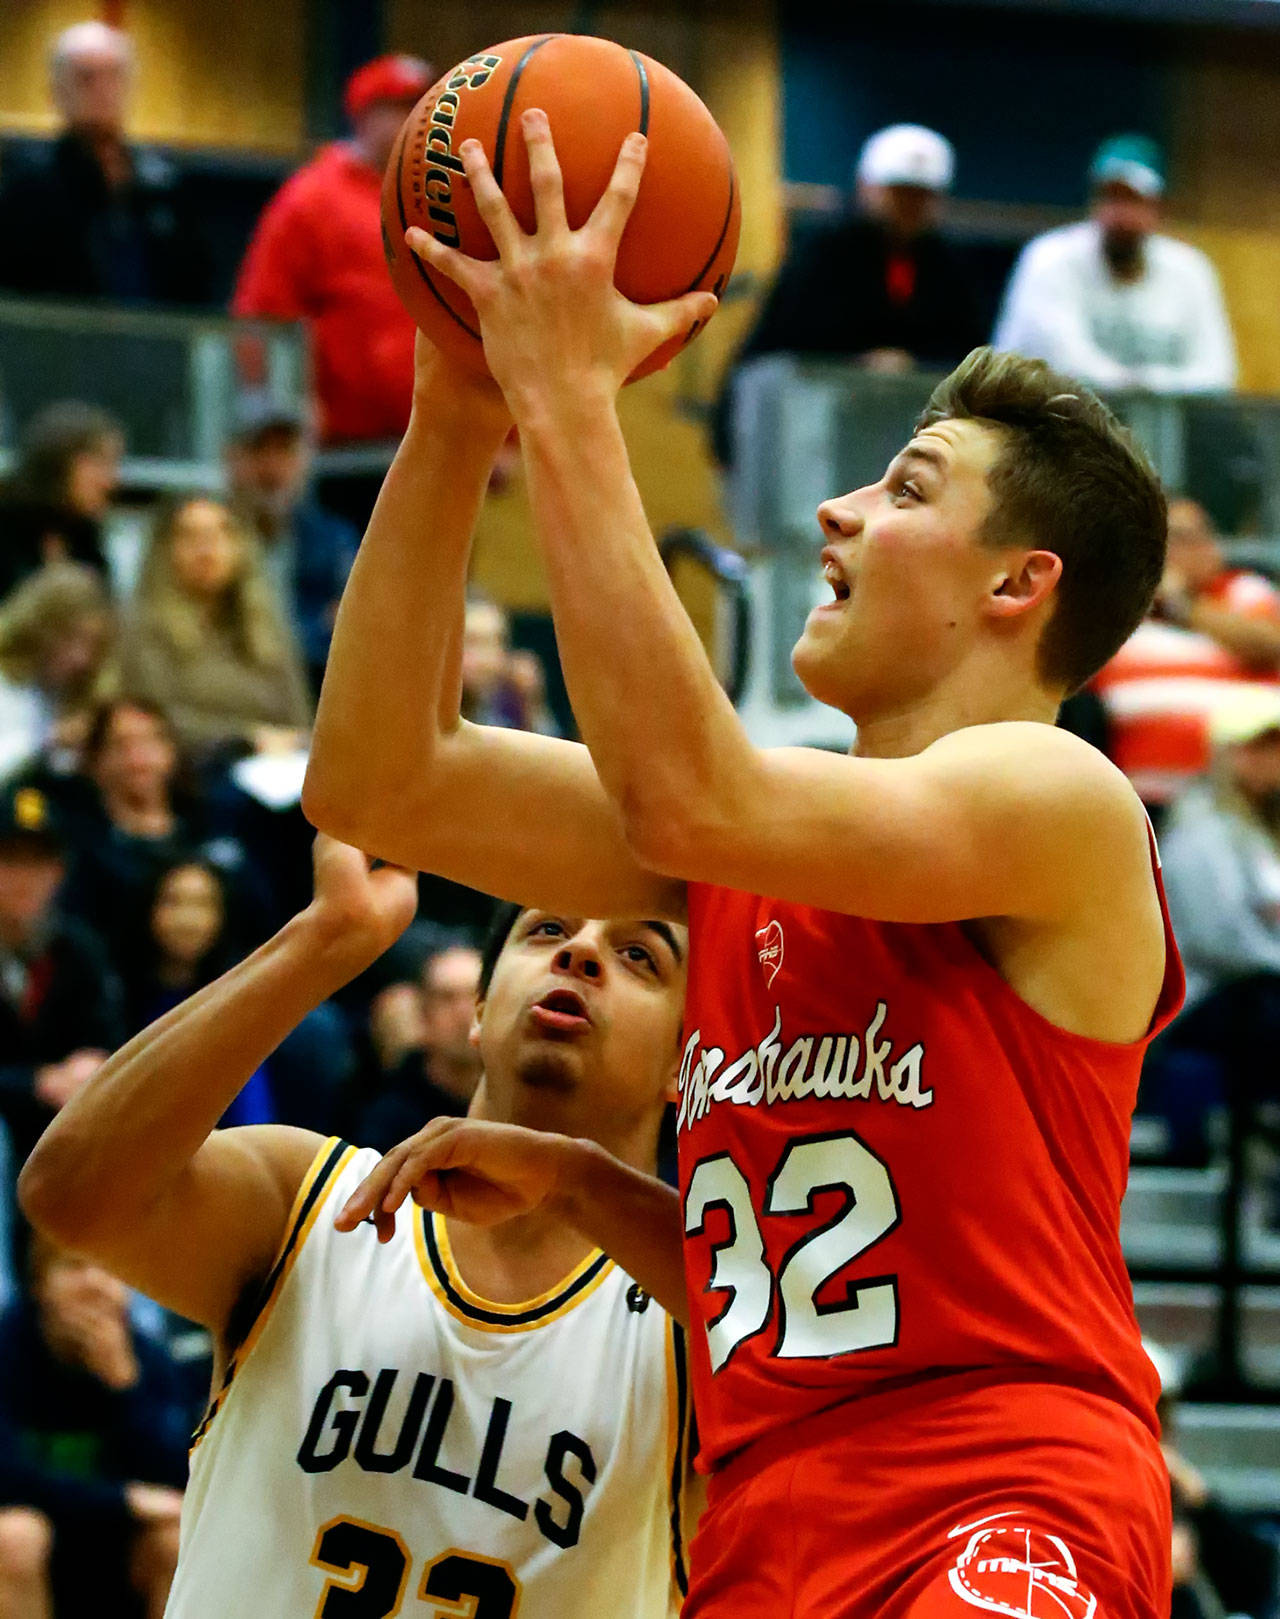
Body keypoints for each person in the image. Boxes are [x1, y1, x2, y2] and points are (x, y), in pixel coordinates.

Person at [303, 114, 1182, 1619]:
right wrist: (457, 409)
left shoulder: (1062, 798)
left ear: (1018, 584)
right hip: (772, 1511)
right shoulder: (754, 840)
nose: (837, 511)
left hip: (998, 1493)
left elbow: (683, 797)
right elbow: (382, 777)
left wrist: (573, 396)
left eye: (905, 488)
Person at [19, 838, 696, 1616]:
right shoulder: (306, 1196)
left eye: (640, 954)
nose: (579, 952)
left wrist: (577, 1181)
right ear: (476, 1012)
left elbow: (829, 1357)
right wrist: (320, 942)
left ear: (688, 1060)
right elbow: (68, 1194)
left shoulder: (695, 1316)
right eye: (547, 930)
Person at [713, 123, 983, 467]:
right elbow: (792, 336)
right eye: (899, 192)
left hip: (889, 438)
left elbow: (966, 346)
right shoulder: (826, 252)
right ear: (866, 187)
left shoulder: (948, 266)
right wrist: (861, 361)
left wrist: (912, 364)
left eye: (921, 195)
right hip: (805, 433)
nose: (909, 205)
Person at [231, 55, 435, 449]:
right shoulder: (311, 197)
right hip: (341, 450)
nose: (416, 121)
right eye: (399, 109)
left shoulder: (442, 194)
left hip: (434, 437)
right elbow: (263, 315)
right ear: (363, 115)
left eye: (423, 108)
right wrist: (284, 408)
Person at [0, 1230, 188, 1619]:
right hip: (38, 1540)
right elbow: (7, 1478)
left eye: (109, 1268)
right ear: (38, 1284)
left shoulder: (147, 1358)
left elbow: (180, 1475)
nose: (95, 1284)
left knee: (175, 1537)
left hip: (118, 1550)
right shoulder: (7, 1351)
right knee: (15, 1536)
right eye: (73, 1266)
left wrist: (125, 1388)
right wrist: (123, 1501)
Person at [1142, 689, 1280, 1168]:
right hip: (1206, 1002)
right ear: (1231, 754)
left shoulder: (1260, 834)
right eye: (1265, 746)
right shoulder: (1202, 832)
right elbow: (1217, 939)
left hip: (1253, 996)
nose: (1276, 760)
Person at [993, 134, 1236, 393]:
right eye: (1109, 198)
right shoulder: (1049, 258)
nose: (1119, 214)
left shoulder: (1190, 270)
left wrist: (1148, 384)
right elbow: (1065, 364)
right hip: (1042, 424)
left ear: (1160, 206)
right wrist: (1143, 386)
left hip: (1153, 429)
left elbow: (1218, 374)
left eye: (1133, 200)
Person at [0, 21, 209, 307]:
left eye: (114, 76)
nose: (102, 91)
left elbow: (194, 287)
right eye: (86, 79)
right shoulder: (27, 187)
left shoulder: (163, 185)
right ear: (56, 91)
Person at [1093, 496, 1280, 810]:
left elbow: (1270, 645)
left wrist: (1182, 605)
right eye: (1170, 538)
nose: (1184, 549)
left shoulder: (1244, 592)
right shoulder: (1119, 615)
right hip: (1143, 806)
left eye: (1191, 536)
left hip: (1251, 802)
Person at [117, 494, 312, 762]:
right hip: (195, 775)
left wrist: (288, 741)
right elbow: (157, 721)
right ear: (165, 550)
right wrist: (246, 740)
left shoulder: (267, 629)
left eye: (220, 533)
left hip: (280, 770)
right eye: (190, 536)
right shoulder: (144, 631)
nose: (206, 548)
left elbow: (299, 719)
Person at [0, 781, 123, 1167]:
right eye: (12, 860)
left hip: (62, 1115)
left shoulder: (78, 947)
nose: (27, 877)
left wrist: (92, 1062)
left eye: (41, 862)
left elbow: (107, 1032)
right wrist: (35, 1083)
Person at [224, 397, 359, 695]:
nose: (272, 468)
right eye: (259, 450)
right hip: (230, 693)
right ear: (231, 459)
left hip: (317, 690)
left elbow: (350, 631)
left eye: (284, 451)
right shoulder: (210, 538)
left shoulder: (334, 539)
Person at [352, 942, 483, 1152]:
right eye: (447, 998)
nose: (464, 1013)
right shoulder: (386, 1119)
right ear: (423, 1015)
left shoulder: (516, 1103)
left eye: (475, 996)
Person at [0, 562, 114, 786]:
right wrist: (50, 742)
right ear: (36, 629)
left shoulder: (77, 696)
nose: (82, 658)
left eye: (93, 645)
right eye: (70, 639)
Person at [0, 401, 124, 598]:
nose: (111, 481)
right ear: (57, 463)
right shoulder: (7, 533)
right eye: (100, 462)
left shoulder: (86, 543)